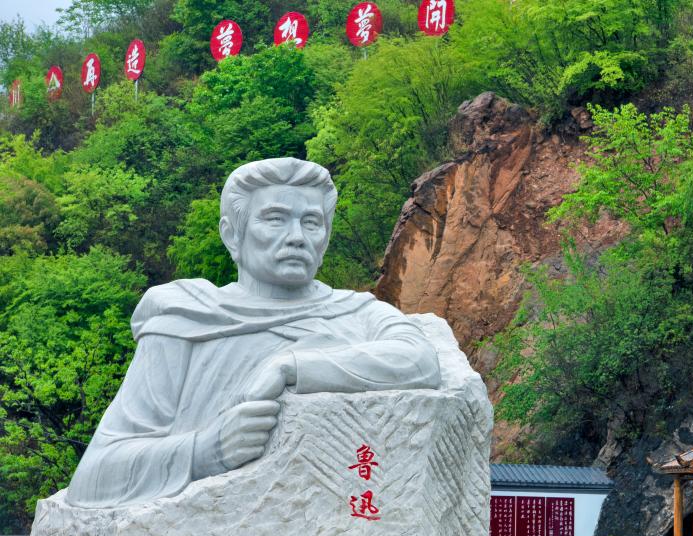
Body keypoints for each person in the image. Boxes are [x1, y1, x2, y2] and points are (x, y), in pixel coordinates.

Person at [66, 158, 441, 508]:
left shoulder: (356, 313)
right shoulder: (186, 319)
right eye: (275, 219)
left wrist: (290, 365)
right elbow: (95, 477)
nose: (297, 237)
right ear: (233, 234)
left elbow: (420, 360)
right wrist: (204, 450)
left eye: (312, 222)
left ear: (326, 237)